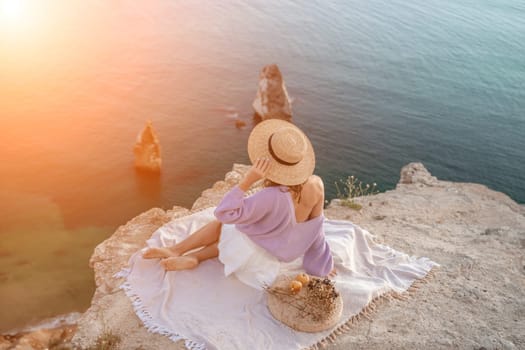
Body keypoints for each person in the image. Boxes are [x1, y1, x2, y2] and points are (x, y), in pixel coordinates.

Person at [142, 119, 335, 289]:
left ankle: (178, 250)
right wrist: (321, 266)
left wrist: (247, 181)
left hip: (251, 259)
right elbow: (317, 230)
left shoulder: (270, 196)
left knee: (224, 226)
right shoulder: (317, 185)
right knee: (238, 237)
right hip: (279, 252)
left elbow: (224, 213)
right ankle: (194, 257)